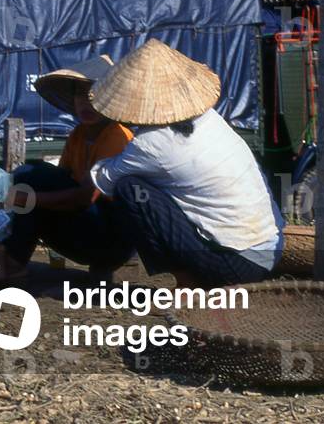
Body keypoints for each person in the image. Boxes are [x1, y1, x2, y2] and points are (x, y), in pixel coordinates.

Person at [89, 39, 284, 287]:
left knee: (130, 188)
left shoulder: (151, 142)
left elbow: (103, 181)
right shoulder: (209, 118)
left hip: (236, 265)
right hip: (271, 250)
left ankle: (184, 285)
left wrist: (105, 140)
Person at [0, 55, 135, 281]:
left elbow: (86, 197)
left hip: (110, 232)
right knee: (28, 174)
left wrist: (30, 199)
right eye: (80, 95)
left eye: (93, 95)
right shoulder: (79, 135)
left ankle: (14, 260)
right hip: (85, 225)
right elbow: (62, 177)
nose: (86, 102)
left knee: (31, 183)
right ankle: (13, 260)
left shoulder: (116, 136)